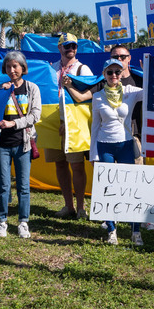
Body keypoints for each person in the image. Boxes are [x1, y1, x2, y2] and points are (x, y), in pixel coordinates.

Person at [90, 58, 147, 245]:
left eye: (117, 71)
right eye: (109, 72)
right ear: (104, 75)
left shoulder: (130, 92)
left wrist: (150, 71)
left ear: (122, 73)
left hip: (126, 145)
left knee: (131, 189)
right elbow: (95, 127)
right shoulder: (97, 97)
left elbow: (149, 91)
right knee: (107, 189)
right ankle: (111, 229)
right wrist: (94, 154)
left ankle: (135, 231)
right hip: (105, 144)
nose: (114, 75)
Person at [0, 52, 42, 239]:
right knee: (3, 185)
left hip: (23, 144)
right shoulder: (0, 88)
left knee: (23, 186)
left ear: (23, 68)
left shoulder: (32, 88)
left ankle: (23, 222)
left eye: (16, 66)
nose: (12, 70)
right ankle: (1, 221)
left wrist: (13, 124)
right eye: (8, 66)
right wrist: (1, 92)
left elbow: (35, 116)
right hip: (2, 145)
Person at [48, 33, 94, 219]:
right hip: (52, 121)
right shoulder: (51, 69)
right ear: (59, 48)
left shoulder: (83, 69)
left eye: (73, 46)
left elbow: (90, 96)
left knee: (76, 165)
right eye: (66, 46)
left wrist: (68, 122)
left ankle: (81, 207)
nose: (71, 49)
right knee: (59, 164)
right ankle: (69, 206)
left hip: (73, 123)